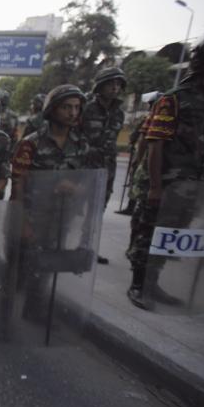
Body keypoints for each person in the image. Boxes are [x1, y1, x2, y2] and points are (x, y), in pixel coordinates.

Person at [126, 30, 204, 310]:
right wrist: (154, 186)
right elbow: (155, 144)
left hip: (196, 185)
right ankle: (138, 283)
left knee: (173, 235)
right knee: (148, 232)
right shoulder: (174, 99)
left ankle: (154, 282)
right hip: (164, 182)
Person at [11, 85, 91, 321]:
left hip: (62, 216)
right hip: (34, 215)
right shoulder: (31, 144)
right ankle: (8, 313)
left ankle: (33, 310)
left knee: (48, 264)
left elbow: (89, 181)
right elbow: (18, 184)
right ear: (52, 109)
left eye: (76, 107)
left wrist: (75, 188)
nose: (72, 113)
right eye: (66, 107)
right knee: (25, 264)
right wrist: (21, 220)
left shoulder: (80, 145)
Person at [81, 67, 127, 264]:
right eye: (111, 83)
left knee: (97, 210)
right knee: (72, 208)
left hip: (107, 168)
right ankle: (63, 246)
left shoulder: (119, 113)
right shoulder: (85, 107)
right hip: (84, 167)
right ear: (100, 85)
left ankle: (87, 247)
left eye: (118, 84)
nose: (115, 87)